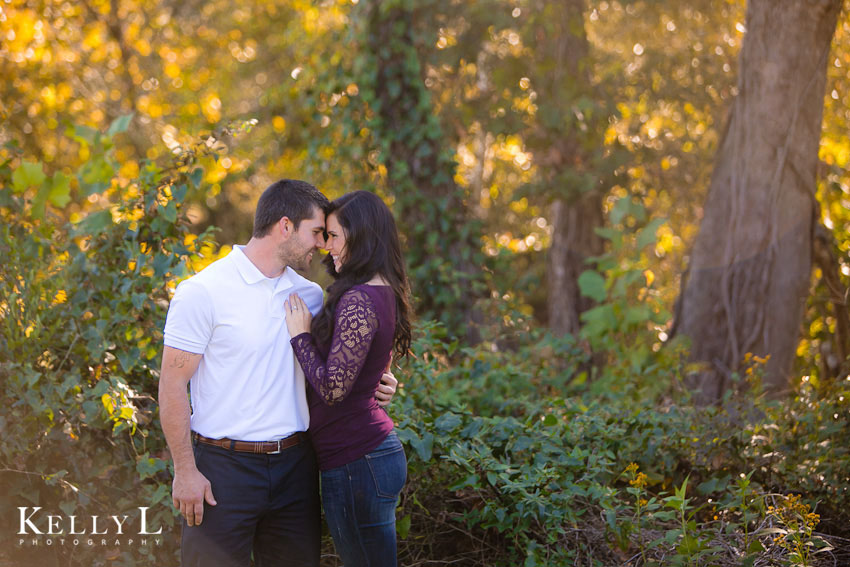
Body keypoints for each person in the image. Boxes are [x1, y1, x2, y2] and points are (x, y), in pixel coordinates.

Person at [158, 180, 396, 567]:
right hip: (223, 470)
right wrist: (184, 471)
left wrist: (378, 383)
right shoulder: (204, 291)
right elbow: (171, 386)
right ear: (285, 227)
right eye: (316, 232)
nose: (321, 244)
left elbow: (341, 368)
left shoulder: (312, 295)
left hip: (296, 470)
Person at [283, 190, 411, 567]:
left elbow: (334, 389)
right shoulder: (380, 290)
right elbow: (366, 372)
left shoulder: (358, 299)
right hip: (365, 455)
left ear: (362, 236)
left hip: (357, 459)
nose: (327, 246)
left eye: (334, 235)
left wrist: (300, 336)